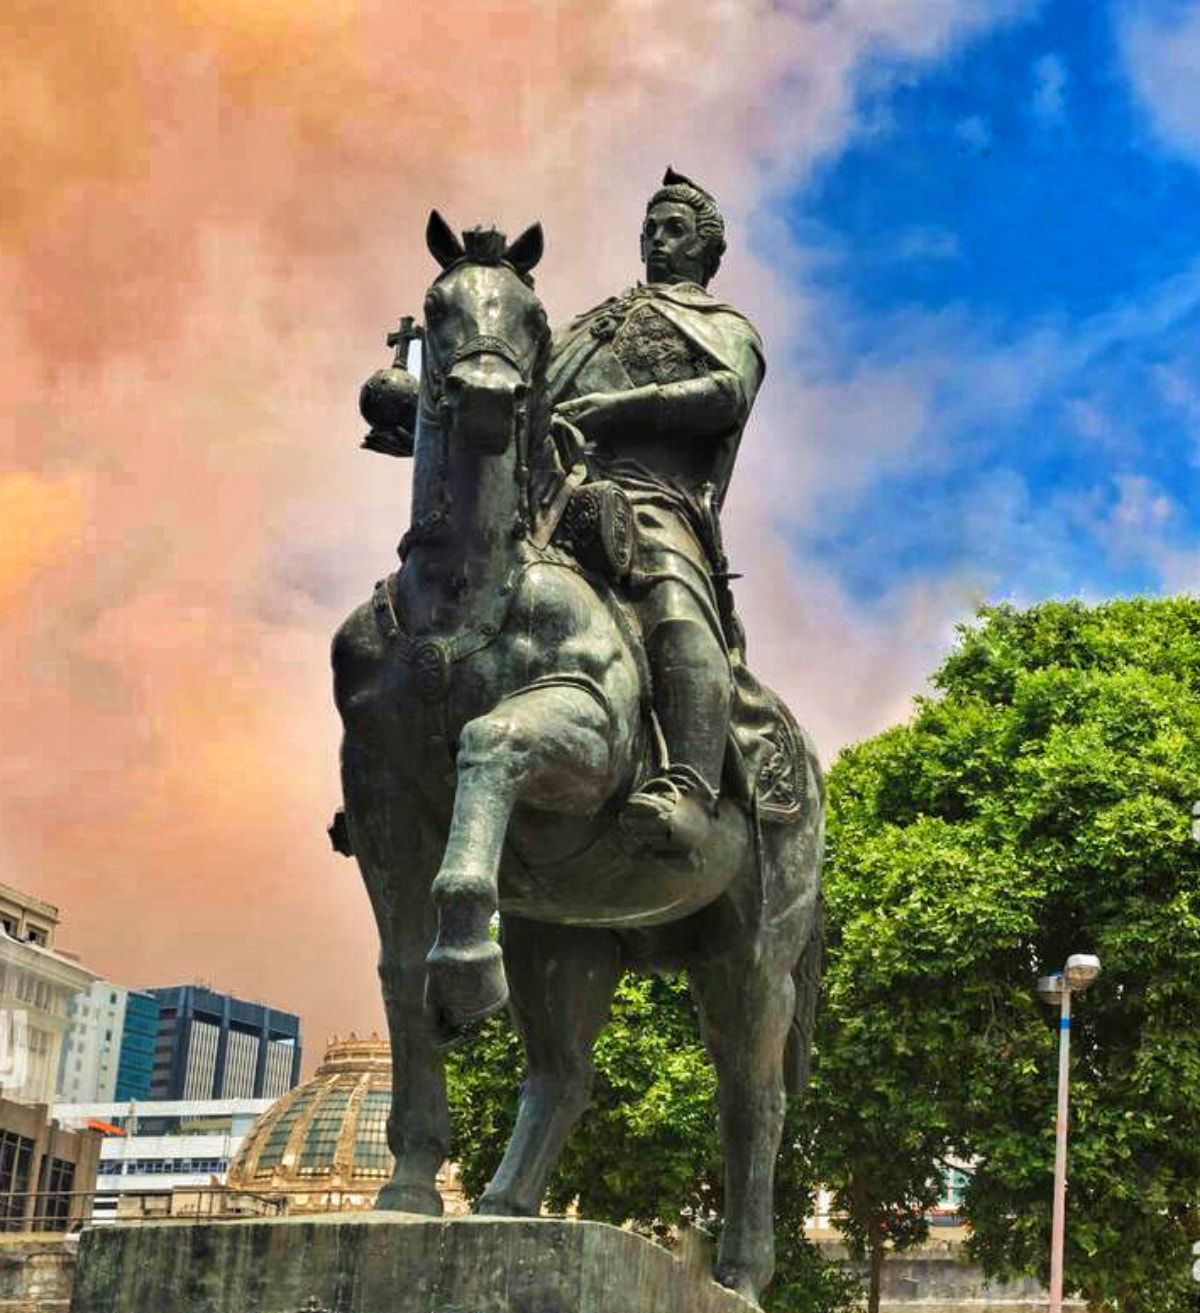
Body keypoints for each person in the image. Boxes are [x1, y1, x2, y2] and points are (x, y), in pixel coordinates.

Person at [545, 168, 765, 862]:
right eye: (650, 229)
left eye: (675, 229)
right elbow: (523, 393)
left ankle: (691, 788)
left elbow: (728, 393)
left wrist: (621, 409)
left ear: (707, 247)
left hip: (651, 501)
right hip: (555, 499)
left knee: (674, 610)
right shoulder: (590, 326)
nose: (657, 240)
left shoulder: (725, 327)